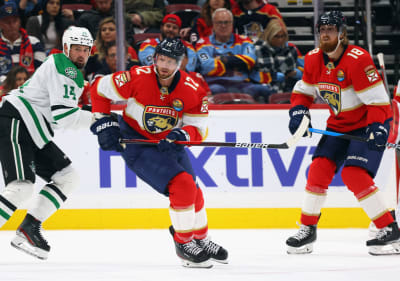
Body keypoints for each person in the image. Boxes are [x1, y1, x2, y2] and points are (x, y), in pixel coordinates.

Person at [89, 37, 228, 268]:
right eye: (161, 59)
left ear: (180, 63)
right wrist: (104, 122)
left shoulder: (193, 88)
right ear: (154, 58)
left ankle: (201, 239)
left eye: (171, 61)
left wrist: (181, 135)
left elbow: (198, 129)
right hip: (138, 143)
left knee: (194, 192)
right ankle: (184, 244)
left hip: (169, 143)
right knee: (182, 184)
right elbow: (98, 89)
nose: (164, 65)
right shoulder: (137, 77)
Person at [285, 11, 400, 256]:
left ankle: (388, 227)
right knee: (318, 170)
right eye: (321, 30)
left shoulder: (358, 59)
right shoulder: (313, 59)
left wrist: (378, 127)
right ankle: (307, 229)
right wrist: (298, 112)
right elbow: (303, 92)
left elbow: (378, 103)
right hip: (338, 126)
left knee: (353, 174)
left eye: (330, 30)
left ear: (342, 34)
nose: (324, 34)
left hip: (368, 123)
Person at [0, 26, 93, 260]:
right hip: (16, 119)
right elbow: (65, 116)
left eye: (86, 50)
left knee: (67, 177)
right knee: (21, 187)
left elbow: (61, 114)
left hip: (34, 130)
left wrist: (96, 117)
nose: (81, 54)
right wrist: (99, 120)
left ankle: (29, 228)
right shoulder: (64, 67)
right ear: (65, 48)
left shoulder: (70, 71)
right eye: (77, 49)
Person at [195, 8, 257, 95]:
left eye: (226, 22)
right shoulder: (202, 43)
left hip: (242, 83)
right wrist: (235, 67)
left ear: (232, 24)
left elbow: (250, 61)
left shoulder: (244, 41)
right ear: (213, 24)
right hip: (214, 83)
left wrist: (222, 59)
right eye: (219, 22)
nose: (223, 26)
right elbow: (207, 67)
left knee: (262, 90)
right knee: (217, 90)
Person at [250, 19, 302, 102]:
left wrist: (296, 73)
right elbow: (252, 74)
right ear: (269, 35)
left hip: (288, 89)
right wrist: (273, 76)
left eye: (283, 36)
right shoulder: (257, 49)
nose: (280, 39)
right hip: (265, 90)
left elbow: (304, 71)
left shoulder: (291, 50)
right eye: (276, 36)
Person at [0, 1, 46, 82]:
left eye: (15, 21)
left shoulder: (34, 42)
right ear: (0, 24)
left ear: (19, 21)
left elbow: (42, 70)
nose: (12, 25)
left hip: (29, 86)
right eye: (7, 22)